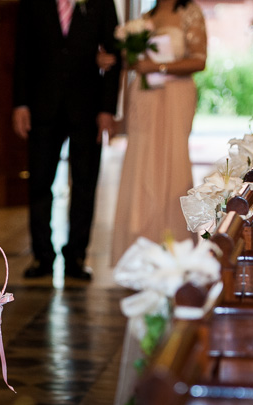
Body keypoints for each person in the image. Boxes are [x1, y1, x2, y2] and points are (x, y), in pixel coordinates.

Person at [12, 0, 122, 281]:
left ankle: (76, 256)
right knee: (39, 182)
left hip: (87, 106)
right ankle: (42, 256)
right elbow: (22, 52)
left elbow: (114, 55)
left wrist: (107, 109)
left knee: (85, 183)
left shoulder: (101, 3)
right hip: (42, 104)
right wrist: (20, 104)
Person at [102, 0, 207, 265]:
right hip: (144, 97)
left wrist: (158, 67)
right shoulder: (146, 16)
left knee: (173, 163)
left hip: (174, 95)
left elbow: (199, 60)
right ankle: (138, 245)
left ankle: (172, 248)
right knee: (140, 164)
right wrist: (127, 59)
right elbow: (133, 63)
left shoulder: (189, 12)